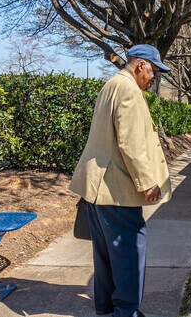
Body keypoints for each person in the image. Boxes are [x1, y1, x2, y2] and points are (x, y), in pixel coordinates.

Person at [69, 44, 172, 317]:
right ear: (140, 66)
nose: (155, 78)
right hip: (115, 187)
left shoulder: (112, 84)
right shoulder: (128, 89)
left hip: (99, 186)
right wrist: (147, 182)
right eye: (154, 72)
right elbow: (131, 143)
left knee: (105, 255)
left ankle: (106, 308)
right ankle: (126, 312)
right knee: (129, 253)